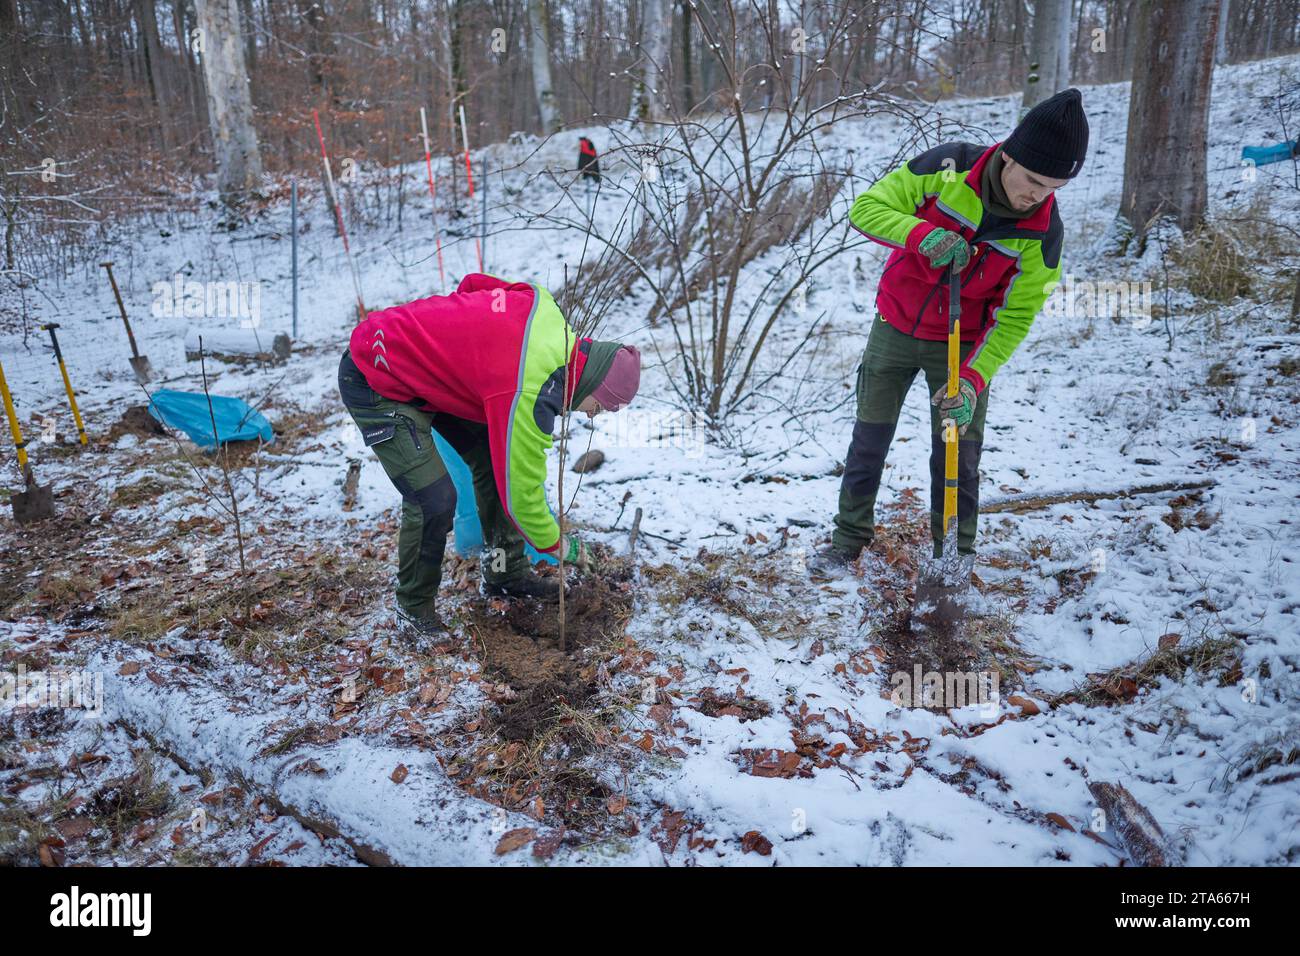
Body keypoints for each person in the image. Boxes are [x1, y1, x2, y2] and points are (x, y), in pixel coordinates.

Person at [810, 88, 1089, 577]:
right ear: (1008, 156)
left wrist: (975, 378)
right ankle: (847, 540)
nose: (1037, 195)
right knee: (869, 440)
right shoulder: (947, 167)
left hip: (962, 347)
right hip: (893, 326)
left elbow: (1016, 316)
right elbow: (867, 208)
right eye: (1032, 180)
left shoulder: (1042, 233)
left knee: (958, 454)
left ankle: (953, 560)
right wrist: (922, 235)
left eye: (1052, 188)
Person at [338, 274, 641, 637]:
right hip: (375, 371)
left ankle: (504, 571)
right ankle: (413, 612)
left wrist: (459, 343)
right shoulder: (530, 389)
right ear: (594, 384)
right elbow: (522, 498)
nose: (592, 414)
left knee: (494, 457)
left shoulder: (544, 307)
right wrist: (563, 546)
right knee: (433, 499)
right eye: (602, 406)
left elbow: (472, 285)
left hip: (428, 375)